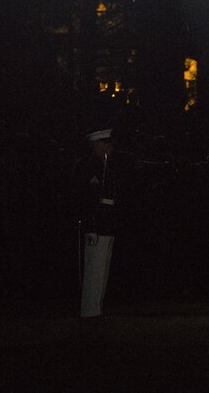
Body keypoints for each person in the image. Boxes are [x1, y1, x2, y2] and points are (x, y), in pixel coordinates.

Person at [75, 128, 123, 318]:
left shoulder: (104, 165)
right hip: (98, 221)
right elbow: (86, 199)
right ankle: (90, 310)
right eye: (106, 143)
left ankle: (96, 308)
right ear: (97, 144)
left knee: (101, 268)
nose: (110, 147)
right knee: (95, 268)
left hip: (106, 220)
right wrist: (90, 226)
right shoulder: (88, 165)